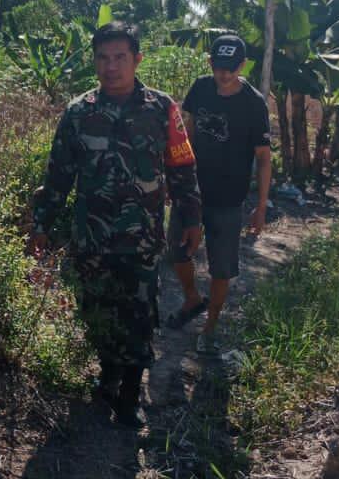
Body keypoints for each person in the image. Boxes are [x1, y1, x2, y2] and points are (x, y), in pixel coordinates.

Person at [30, 21, 202, 426]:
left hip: (142, 236)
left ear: (137, 59)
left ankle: (129, 392)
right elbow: (58, 175)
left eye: (120, 57)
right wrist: (41, 223)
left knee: (140, 311)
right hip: (92, 237)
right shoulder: (78, 112)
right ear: (95, 62)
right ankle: (107, 374)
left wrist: (192, 218)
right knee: (97, 309)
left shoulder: (162, 108)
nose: (111, 67)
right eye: (103, 58)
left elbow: (181, 167)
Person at [168, 33, 271, 357]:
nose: (224, 74)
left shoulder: (253, 103)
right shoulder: (201, 88)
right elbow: (186, 132)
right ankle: (191, 299)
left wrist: (261, 206)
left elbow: (263, 157)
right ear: (211, 63)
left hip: (228, 197)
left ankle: (210, 327)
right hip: (193, 191)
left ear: (243, 66)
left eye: (231, 68)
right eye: (219, 67)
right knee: (177, 250)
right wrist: (176, 178)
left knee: (221, 266)